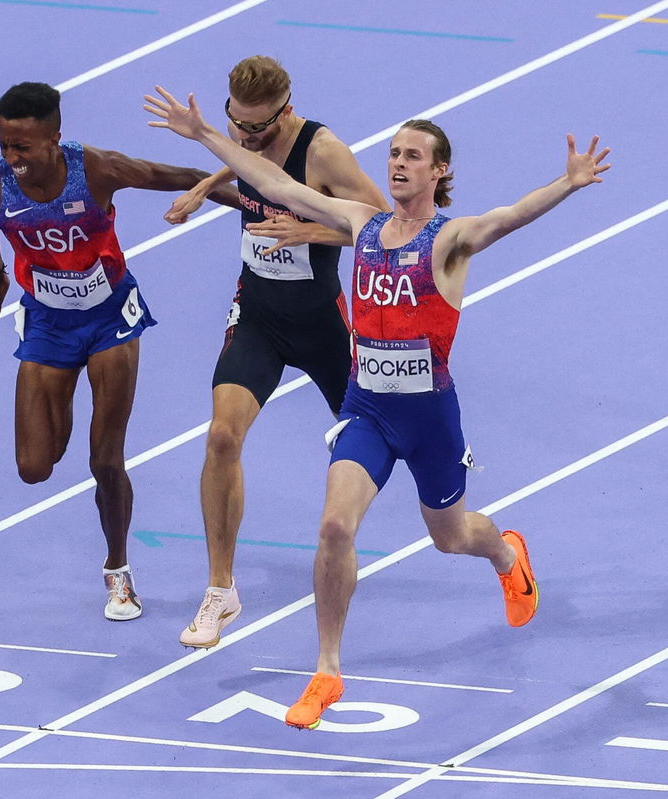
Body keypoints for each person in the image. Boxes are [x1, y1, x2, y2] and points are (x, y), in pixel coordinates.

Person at [145, 86, 609, 726]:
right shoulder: (360, 224)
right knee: (335, 527)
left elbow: (510, 215)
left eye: (413, 156)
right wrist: (203, 135)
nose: (398, 164)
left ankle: (506, 554)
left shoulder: (452, 239)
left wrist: (569, 183)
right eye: (393, 153)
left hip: (429, 419)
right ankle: (327, 670)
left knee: (451, 537)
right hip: (367, 411)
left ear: (438, 170)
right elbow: (273, 183)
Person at [0, 82, 238, 621]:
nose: (11, 158)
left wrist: (252, 201)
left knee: (105, 459)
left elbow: (177, 178)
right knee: (34, 467)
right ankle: (61, 392)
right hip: (46, 321)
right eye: (5, 145)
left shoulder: (96, 170)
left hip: (109, 318)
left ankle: (118, 571)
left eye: (23, 147)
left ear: (54, 138)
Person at [162, 57, 389, 648]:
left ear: (285, 111)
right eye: (238, 125)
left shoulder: (323, 152)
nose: (247, 137)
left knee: (394, 443)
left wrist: (309, 231)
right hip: (259, 315)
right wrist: (207, 185)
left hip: (322, 325)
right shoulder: (242, 133)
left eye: (260, 130)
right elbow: (247, 167)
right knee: (221, 437)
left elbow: (388, 227)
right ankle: (220, 590)